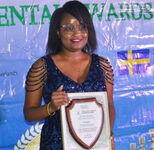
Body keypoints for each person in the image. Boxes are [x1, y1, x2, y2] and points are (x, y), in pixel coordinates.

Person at [23, 1, 115, 149]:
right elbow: (29, 114)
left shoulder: (103, 65)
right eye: (69, 28)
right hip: (55, 145)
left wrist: (107, 136)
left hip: (95, 145)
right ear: (58, 32)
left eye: (82, 27)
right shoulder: (42, 67)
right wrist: (50, 107)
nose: (77, 33)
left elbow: (109, 106)